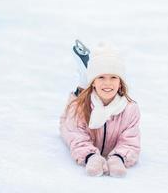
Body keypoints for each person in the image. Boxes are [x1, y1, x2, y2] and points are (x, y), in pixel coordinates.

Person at [59, 41, 141, 177]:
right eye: (101, 77)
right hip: (72, 118)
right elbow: (76, 136)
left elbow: (130, 141)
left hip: (94, 92)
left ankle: (90, 72)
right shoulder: (79, 107)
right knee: (75, 107)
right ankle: (84, 79)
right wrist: (90, 156)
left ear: (120, 83)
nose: (108, 83)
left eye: (113, 77)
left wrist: (119, 157)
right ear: (94, 83)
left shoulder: (130, 109)